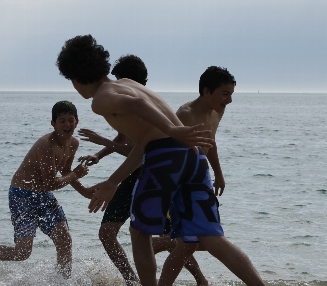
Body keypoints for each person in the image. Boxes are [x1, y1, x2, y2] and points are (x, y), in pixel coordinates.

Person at [56, 35, 265, 286]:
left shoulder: (101, 99)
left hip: (166, 156)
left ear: (76, 78)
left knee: (139, 230)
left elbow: (139, 107)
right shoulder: (128, 83)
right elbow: (146, 140)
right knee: (211, 237)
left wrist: (173, 130)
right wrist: (113, 181)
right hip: (194, 156)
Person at [78, 54, 207, 286]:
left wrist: (173, 130)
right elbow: (133, 142)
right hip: (155, 165)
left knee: (156, 235)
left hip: (150, 168)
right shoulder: (131, 96)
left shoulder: (112, 98)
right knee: (120, 233)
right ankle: (133, 281)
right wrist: (101, 158)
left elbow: (142, 146)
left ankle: (196, 279)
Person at [0, 101, 92, 278]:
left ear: (77, 122)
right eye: (62, 121)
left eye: (70, 120)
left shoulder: (73, 143)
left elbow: (65, 171)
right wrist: (76, 174)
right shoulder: (47, 145)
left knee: (64, 239)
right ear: (53, 124)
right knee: (22, 253)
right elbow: (52, 182)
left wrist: (85, 192)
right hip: (22, 195)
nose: (67, 125)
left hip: (43, 195)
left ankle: (62, 281)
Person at [151, 65, 236, 282]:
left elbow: (211, 142)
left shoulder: (218, 111)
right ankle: (156, 244)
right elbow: (169, 156)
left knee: (189, 244)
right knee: (198, 242)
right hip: (182, 183)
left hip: (201, 177)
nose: (229, 100)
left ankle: (158, 245)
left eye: (231, 94)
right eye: (225, 94)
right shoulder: (185, 114)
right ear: (207, 91)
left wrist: (219, 173)